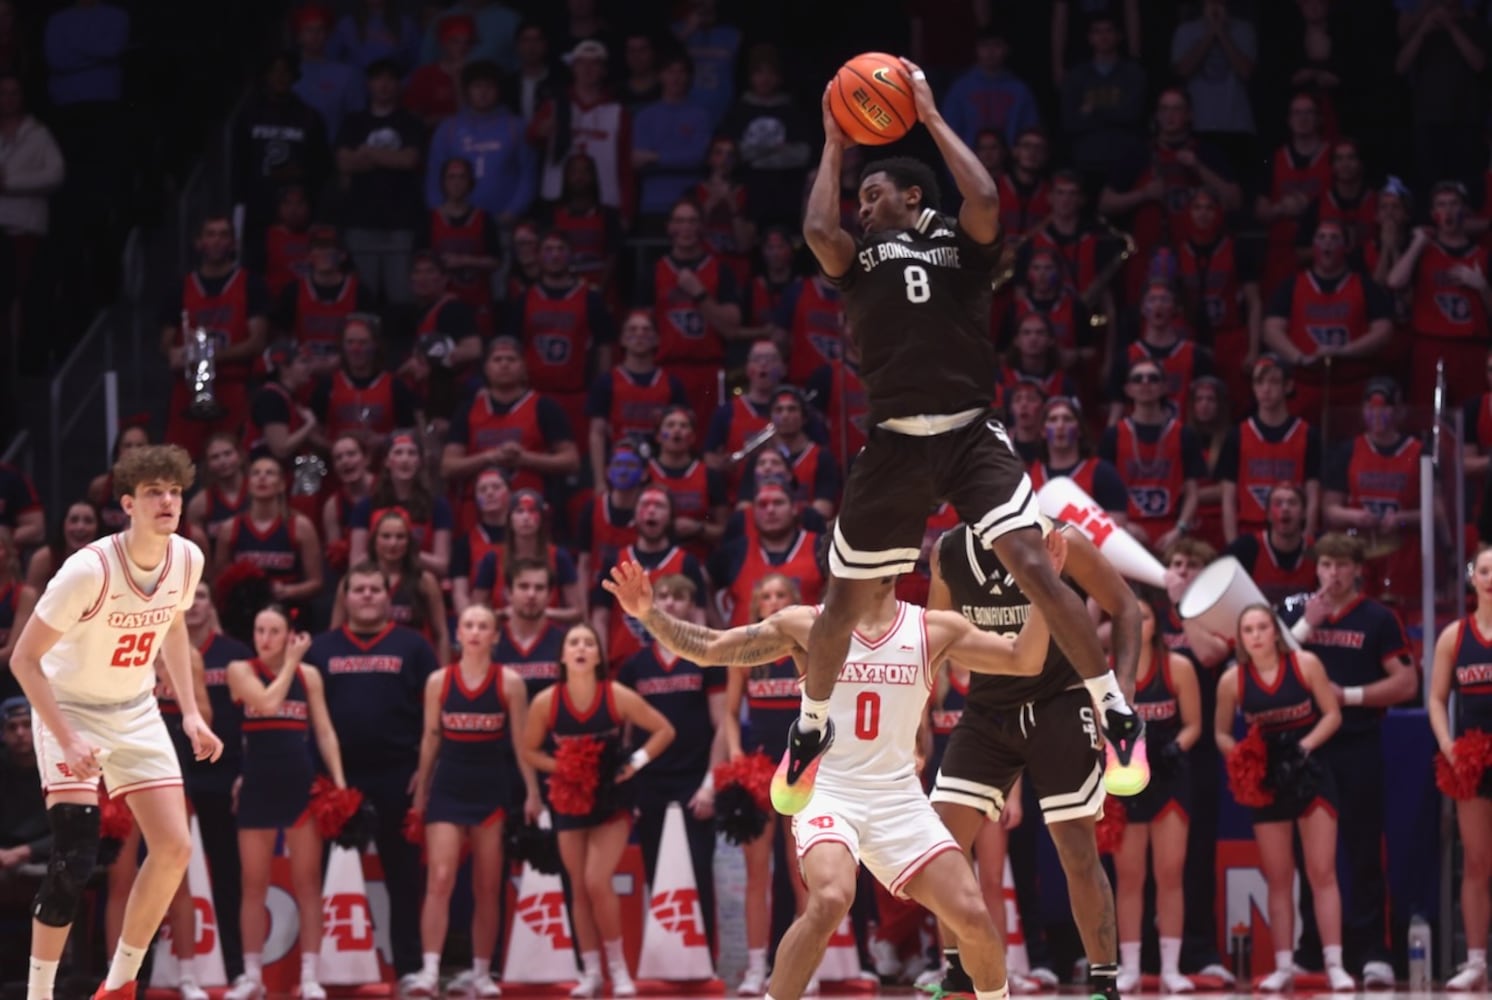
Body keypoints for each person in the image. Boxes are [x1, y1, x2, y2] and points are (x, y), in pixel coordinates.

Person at [794, 56, 1133, 816]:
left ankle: (1112, 707)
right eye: (862, 194)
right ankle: (812, 727)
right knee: (841, 605)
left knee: (1036, 570)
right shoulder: (859, 258)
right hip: (895, 443)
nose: (864, 203)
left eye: (877, 192)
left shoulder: (958, 243)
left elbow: (985, 196)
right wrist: (833, 137)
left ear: (914, 195)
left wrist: (930, 114)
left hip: (971, 432)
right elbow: (818, 226)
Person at [601, 534, 1055, 1000]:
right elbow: (714, 647)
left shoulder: (934, 628)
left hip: (898, 797)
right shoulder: (808, 624)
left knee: (973, 916)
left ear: (893, 563)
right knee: (831, 898)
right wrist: (649, 615)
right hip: (830, 791)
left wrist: (1045, 585)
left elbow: (1025, 659)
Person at [8, 444, 224, 1000]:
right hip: (70, 707)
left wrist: (193, 714)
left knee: (175, 847)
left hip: (135, 709)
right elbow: (23, 660)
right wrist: (65, 735)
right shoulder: (87, 570)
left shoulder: (187, 558)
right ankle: (39, 994)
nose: (168, 501)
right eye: (155, 492)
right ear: (128, 504)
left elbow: (173, 626)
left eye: (175, 492)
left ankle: (120, 984)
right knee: (75, 854)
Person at [925, 518, 1143, 1000]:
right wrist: (916, 721)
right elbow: (931, 641)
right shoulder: (947, 552)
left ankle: (1104, 984)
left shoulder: (1060, 538)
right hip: (986, 709)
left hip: (1060, 703)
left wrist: (1119, 694)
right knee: (939, 845)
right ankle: (960, 975)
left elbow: (1126, 607)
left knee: (1076, 847)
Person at [1279, 533, 1415, 987]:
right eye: (1325, 565)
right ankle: (1311, 950)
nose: (1332, 574)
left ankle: (1373, 951)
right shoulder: (1296, 612)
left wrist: (1349, 696)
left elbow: (1405, 684)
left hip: (1357, 743)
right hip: (1308, 745)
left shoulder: (1379, 618)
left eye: (1341, 566)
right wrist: (1305, 628)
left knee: (1361, 850)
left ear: (1358, 569)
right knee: (1309, 857)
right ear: (1315, 568)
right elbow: (1267, 668)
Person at [520, 622, 676, 1000]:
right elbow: (528, 750)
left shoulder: (615, 695)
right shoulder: (546, 702)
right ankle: (590, 973)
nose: (581, 648)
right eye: (574, 642)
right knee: (578, 886)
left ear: (599, 656)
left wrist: (635, 761)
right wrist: (563, 767)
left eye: (589, 643)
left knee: (595, 879)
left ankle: (618, 970)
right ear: (562, 656)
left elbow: (664, 730)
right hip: (569, 797)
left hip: (611, 798)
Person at [307, 563, 440, 989]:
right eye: (358, 589)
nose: (366, 595)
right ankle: (315, 973)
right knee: (323, 875)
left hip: (397, 776)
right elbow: (307, 718)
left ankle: (409, 971)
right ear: (344, 598)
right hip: (335, 782)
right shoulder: (321, 649)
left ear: (388, 597)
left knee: (403, 877)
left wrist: (424, 772)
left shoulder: (414, 647)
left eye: (374, 589)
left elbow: (433, 718)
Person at [1214, 605, 1352, 993]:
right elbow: (1222, 733)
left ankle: (1335, 963)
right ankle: (1284, 964)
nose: (1256, 635)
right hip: (1267, 779)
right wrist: (1242, 757)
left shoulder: (1305, 664)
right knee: (1278, 877)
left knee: (1321, 872)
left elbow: (1332, 715)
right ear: (1240, 638)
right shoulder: (1232, 681)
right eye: (1248, 630)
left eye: (1262, 628)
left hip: (1310, 773)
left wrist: (1304, 748)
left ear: (1275, 632)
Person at [409, 604, 540, 998]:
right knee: (441, 878)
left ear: (495, 636)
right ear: (458, 633)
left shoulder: (511, 683)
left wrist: (533, 791)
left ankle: (482, 974)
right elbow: (431, 738)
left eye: (484, 626)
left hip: (491, 788)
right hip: (448, 786)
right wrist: (420, 792)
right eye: (469, 625)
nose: (476, 632)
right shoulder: (439, 681)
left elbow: (522, 744)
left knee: (487, 884)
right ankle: (430, 972)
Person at [223, 607, 347, 1000]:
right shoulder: (239, 670)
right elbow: (268, 702)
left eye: (274, 631)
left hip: (299, 786)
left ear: (288, 633)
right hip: (258, 784)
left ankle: (310, 976)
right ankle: (252, 976)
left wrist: (341, 785)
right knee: (253, 884)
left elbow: (325, 732)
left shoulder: (309, 677)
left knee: (308, 883)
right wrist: (292, 661)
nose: (265, 637)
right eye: (260, 630)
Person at [718, 573, 805, 995]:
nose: (772, 601)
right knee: (757, 873)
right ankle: (755, 969)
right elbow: (730, 713)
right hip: (758, 767)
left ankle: (806, 968)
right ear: (757, 606)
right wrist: (735, 752)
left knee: (800, 870)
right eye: (765, 595)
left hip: (803, 768)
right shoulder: (745, 652)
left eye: (780, 595)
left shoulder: (810, 645)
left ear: (794, 601)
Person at [1114, 591, 1202, 994]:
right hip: (1126, 780)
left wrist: (1174, 748)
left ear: (1157, 624)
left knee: (1169, 872)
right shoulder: (1109, 673)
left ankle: (1170, 967)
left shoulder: (1178, 667)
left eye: (1144, 616)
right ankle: (1129, 966)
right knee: (1129, 876)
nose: (1137, 623)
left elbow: (1194, 725)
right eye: (1130, 616)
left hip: (1169, 777)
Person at [1428, 544, 1492, 992]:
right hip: (1473, 754)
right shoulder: (1455, 635)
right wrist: (1448, 744)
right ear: (1473, 578)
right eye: (1485, 570)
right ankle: (1475, 960)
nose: (1491, 577)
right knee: (1476, 860)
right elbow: (1435, 698)